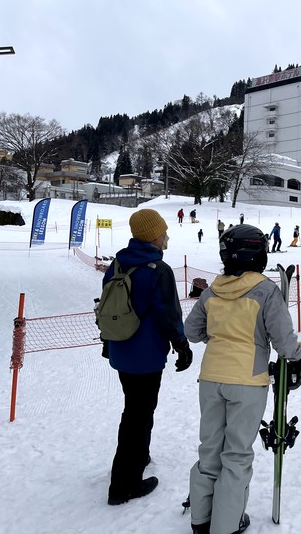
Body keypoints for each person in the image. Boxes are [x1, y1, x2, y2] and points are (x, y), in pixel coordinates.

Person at [185, 224, 301, 534]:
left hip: (211, 378)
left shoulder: (213, 290)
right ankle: (226, 524)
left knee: (210, 448)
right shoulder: (266, 290)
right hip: (248, 381)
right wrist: (299, 356)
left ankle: (201, 518)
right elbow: (283, 339)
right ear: (259, 254)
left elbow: (191, 331)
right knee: (237, 454)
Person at [104, 209, 193, 506]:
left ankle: (138, 456)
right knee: (138, 415)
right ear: (152, 235)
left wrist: (108, 342)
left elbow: (109, 306)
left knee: (135, 409)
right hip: (146, 356)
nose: (166, 235)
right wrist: (181, 344)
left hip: (120, 349)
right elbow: (168, 315)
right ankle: (124, 485)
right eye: (163, 231)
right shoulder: (158, 270)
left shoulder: (117, 264)